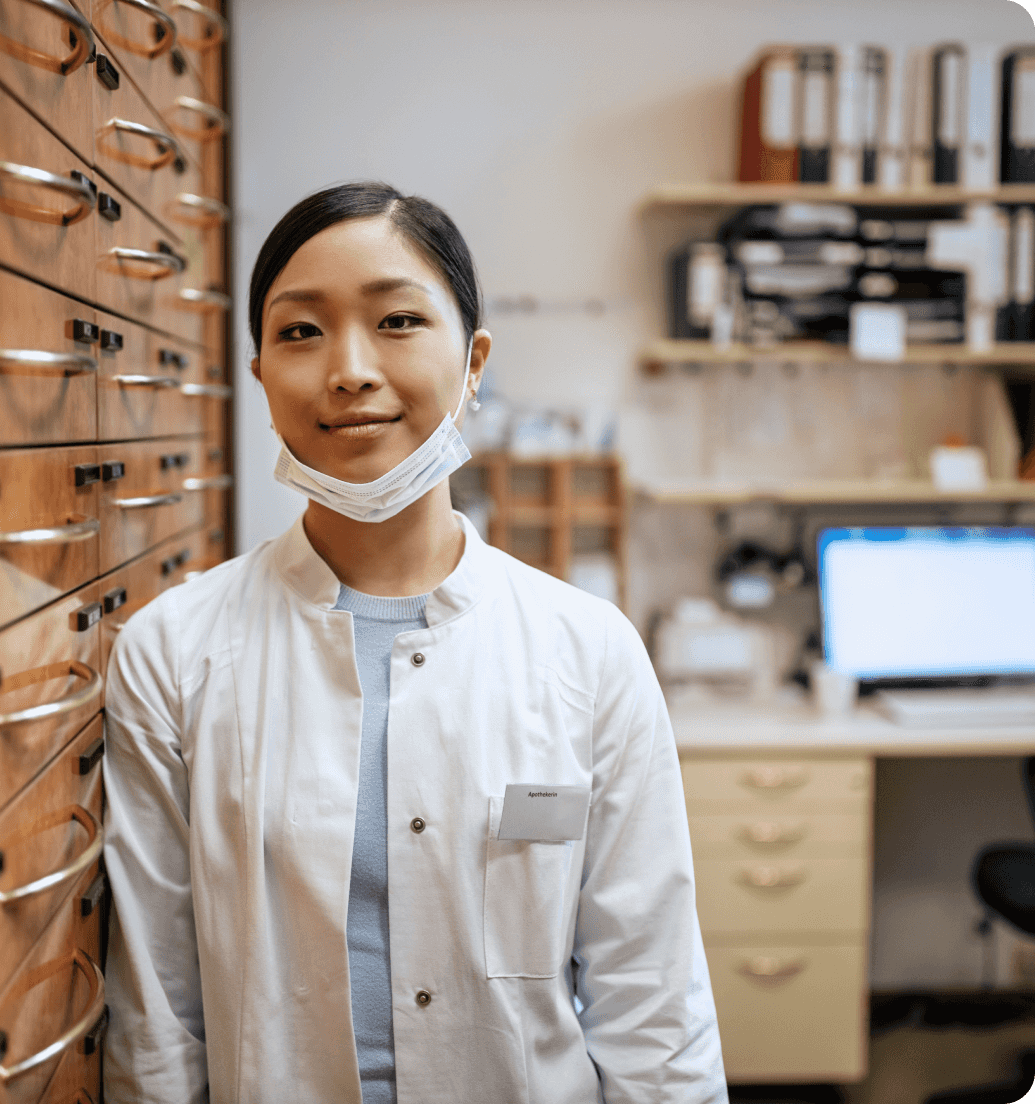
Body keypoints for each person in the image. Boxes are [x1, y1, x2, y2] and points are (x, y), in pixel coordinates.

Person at [101, 181, 727, 1104]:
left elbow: (652, 999)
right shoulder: (172, 653)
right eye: (301, 332)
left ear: (474, 362)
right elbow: (158, 1018)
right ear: (260, 374)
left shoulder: (589, 650)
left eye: (397, 321)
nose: (349, 369)